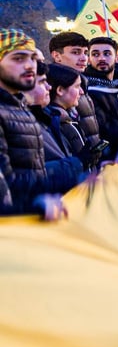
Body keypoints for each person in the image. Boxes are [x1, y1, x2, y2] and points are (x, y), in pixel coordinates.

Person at [0, 30, 80, 213]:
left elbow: (33, 175)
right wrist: (34, 206)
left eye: (33, 58)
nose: (30, 66)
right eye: (18, 58)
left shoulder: (19, 108)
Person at [48, 31, 102, 154]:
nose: (83, 58)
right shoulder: (49, 85)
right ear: (57, 56)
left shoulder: (84, 84)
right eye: (76, 52)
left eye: (86, 53)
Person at [84, 37, 118, 161]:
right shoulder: (86, 89)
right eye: (95, 54)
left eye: (107, 54)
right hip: (106, 161)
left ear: (117, 58)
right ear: (89, 59)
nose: (101, 58)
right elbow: (104, 129)